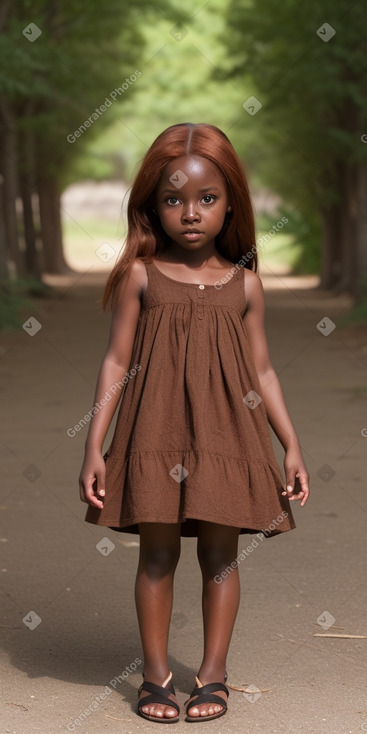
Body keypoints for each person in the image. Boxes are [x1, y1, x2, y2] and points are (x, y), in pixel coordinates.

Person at [79, 122, 310, 724]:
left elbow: (263, 370)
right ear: (152, 207)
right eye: (173, 198)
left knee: (221, 554)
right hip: (153, 434)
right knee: (156, 554)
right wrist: (94, 444)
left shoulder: (246, 285)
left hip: (228, 436)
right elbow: (116, 360)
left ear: (231, 202)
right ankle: (154, 677)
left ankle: (213, 675)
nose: (190, 213)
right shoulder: (140, 278)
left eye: (207, 199)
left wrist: (291, 445)